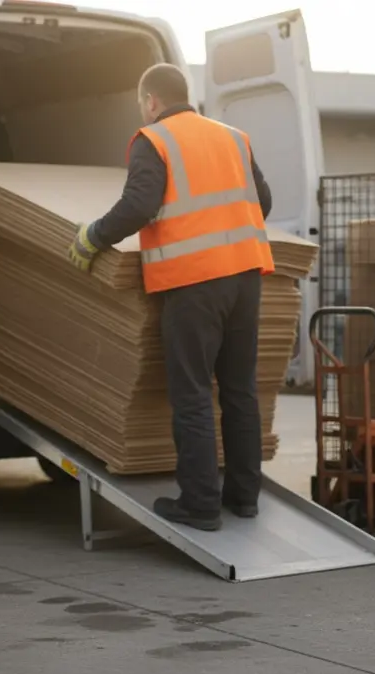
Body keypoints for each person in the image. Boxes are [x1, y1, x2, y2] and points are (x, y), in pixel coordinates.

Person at [65, 63, 275, 532]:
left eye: (143, 103)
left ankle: (200, 504)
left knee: (194, 393)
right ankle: (243, 498)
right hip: (245, 279)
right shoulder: (233, 138)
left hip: (194, 282)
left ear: (152, 101)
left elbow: (139, 205)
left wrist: (93, 238)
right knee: (239, 390)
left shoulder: (154, 140)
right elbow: (263, 203)